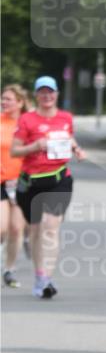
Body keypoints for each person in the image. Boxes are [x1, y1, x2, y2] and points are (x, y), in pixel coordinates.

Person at [10, 76, 86, 298]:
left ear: (56, 94)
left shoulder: (65, 118)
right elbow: (15, 151)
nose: (47, 96)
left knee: (50, 227)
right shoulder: (27, 120)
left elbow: (69, 138)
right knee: (35, 230)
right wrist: (35, 145)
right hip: (32, 182)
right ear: (36, 95)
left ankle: (47, 279)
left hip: (59, 180)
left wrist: (77, 149)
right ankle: (39, 273)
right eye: (42, 92)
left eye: (50, 92)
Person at [1, 84, 29, 287]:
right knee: (1, 228)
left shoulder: (27, 124)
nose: (4, 102)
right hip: (1, 181)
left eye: (8, 99)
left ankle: (9, 270)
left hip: (21, 182)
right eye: (2, 98)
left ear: (20, 102)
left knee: (17, 228)